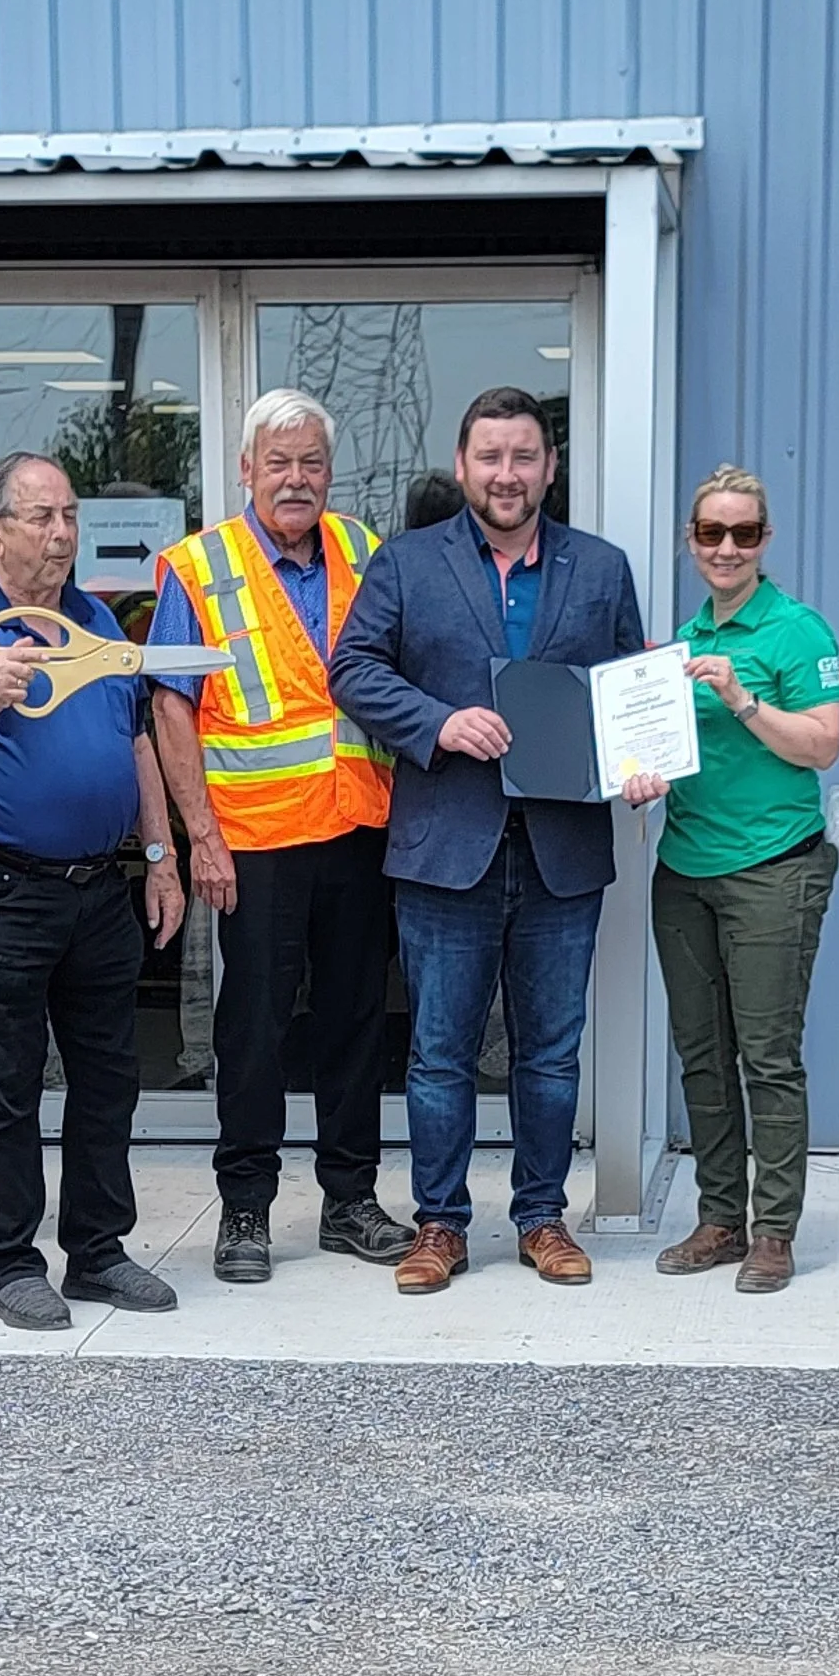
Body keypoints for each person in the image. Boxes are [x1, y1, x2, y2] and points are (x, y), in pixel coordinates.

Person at [333, 385, 646, 1291]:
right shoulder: (406, 563)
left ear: (550, 466)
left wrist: (643, 757)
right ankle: (441, 1225)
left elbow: (627, 685)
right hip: (447, 845)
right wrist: (437, 723)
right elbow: (352, 668)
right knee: (440, 1053)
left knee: (550, 1053)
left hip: (562, 847)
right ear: (462, 465)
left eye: (524, 457)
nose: (506, 475)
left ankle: (543, 1218)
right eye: (489, 458)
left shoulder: (600, 568)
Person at [0, 450, 184, 1335]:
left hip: (100, 891)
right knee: (2, 1085)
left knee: (108, 1080)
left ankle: (96, 1251)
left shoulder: (95, 617)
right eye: (41, 518)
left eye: (69, 518)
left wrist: (161, 850)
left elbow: (135, 743)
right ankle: (11, 1262)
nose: (60, 535)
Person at [143, 389, 409, 1284]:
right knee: (252, 1029)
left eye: (312, 464)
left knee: (356, 1023)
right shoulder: (197, 565)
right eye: (279, 463)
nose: (296, 480)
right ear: (247, 469)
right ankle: (246, 1208)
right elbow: (171, 708)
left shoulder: (367, 553)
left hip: (360, 828)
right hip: (253, 839)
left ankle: (350, 1200)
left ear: (331, 473)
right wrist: (200, 838)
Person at [651, 466, 839, 1293]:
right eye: (710, 533)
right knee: (702, 1054)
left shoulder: (798, 632)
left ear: (766, 541)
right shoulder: (682, 640)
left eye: (743, 533)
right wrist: (643, 773)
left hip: (772, 868)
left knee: (767, 1057)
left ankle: (774, 1231)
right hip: (684, 866)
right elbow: (662, 750)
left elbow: (823, 745)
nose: (726, 548)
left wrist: (742, 700)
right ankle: (719, 1217)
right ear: (692, 541)